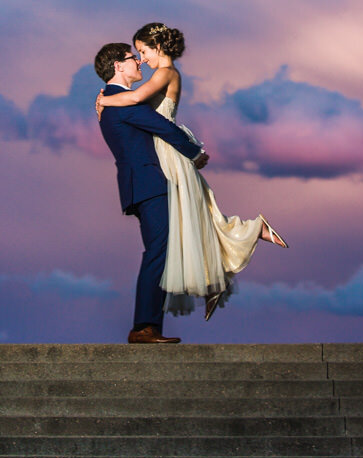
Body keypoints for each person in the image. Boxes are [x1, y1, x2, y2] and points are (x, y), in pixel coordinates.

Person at [96, 23, 286, 322]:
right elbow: (135, 107)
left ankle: (246, 239)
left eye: (143, 51)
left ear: (157, 47)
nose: (141, 59)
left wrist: (105, 99)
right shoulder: (151, 79)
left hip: (170, 152)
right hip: (163, 155)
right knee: (195, 217)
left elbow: (135, 101)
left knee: (195, 216)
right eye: (137, 55)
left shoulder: (165, 73)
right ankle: (223, 268)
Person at [94, 41, 210, 344]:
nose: (139, 63)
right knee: (158, 251)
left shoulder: (109, 101)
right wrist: (196, 153)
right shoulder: (120, 100)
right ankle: (144, 326)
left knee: (161, 250)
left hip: (141, 184)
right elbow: (163, 127)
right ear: (118, 66)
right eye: (134, 59)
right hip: (148, 184)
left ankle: (149, 325)